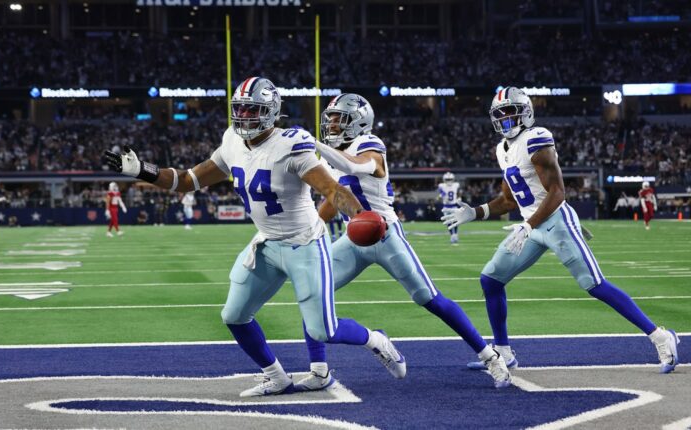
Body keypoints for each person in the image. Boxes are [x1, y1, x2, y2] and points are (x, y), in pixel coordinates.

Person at [103, 77, 406, 397]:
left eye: (252, 109)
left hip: (304, 243)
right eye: (241, 109)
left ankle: (377, 340)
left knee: (323, 329)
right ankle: (276, 376)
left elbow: (332, 190)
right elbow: (186, 181)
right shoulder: (232, 140)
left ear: (272, 112)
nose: (245, 115)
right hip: (267, 242)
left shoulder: (292, 144)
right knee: (233, 315)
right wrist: (142, 170)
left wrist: (358, 216)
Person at [441, 87, 679, 373]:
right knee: (491, 280)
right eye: (499, 114)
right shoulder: (502, 150)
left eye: (509, 112)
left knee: (594, 284)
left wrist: (528, 225)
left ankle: (660, 337)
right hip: (530, 227)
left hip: (555, 221)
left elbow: (558, 192)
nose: (504, 119)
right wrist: (477, 212)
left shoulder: (536, 139)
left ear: (526, 112)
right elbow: (508, 199)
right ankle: (503, 350)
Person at [296, 93, 510, 391]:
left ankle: (491, 357)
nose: (331, 124)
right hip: (352, 238)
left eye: (338, 119)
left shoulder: (369, 144)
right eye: (329, 118)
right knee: (311, 292)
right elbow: (333, 201)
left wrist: (314, 146)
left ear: (359, 122)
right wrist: (311, 230)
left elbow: (360, 167)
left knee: (429, 298)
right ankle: (319, 371)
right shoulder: (330, 160)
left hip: (385, 235)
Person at [438, 172, 461, 244]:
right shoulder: (442, 185)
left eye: (450, 179)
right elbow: (441, 193)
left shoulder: (455, 185)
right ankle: (452, 235)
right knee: (448, 222)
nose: (449, 181)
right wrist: (442, 195)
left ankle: (455, 235)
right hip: (447, 206)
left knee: (455, 221)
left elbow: (458, 192)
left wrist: (459, 197)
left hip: (453, 206)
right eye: (447, 179)